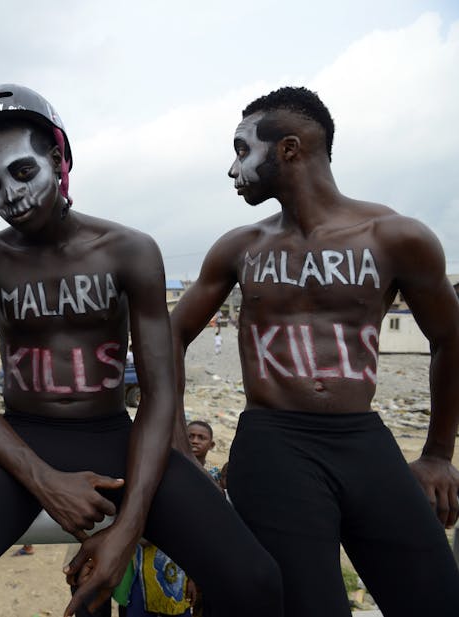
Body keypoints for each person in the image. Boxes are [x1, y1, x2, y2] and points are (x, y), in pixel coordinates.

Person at [0, 84, 281, 617]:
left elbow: (160, 391)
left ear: (58, 158)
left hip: (116, 438)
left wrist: (126, 529)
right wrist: (42, 480)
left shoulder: (129, 250)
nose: (10, 194)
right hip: (19, 440)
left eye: (23, 171)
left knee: (255, 583)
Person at [170, 86, 459, 617]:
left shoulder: (395, 237)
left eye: (241, 150)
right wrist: (176, 441)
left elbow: (449, 338)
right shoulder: (241, 246)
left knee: (437, 597)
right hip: (273, 443)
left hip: (363, 439)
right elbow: (167, 337)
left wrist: (439, 453)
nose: (232, 171)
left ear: (289, 148)